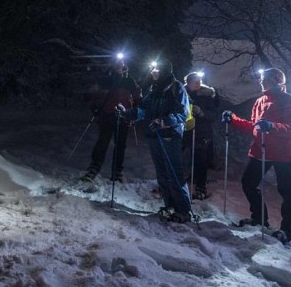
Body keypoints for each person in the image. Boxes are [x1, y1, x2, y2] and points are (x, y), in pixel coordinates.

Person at [222, 68, 291, 243]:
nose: (261, 82)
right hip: (261, 150)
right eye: (261, 79)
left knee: (286, 190)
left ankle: (289, 230)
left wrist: (272, 126)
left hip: (282, 152)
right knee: (248, 182)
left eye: (265, 79)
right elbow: (255, 127)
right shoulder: (260, 101)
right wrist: (234, 120)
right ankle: (259, 218)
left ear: (276, 81)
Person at [131, 61, 192, 223]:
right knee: (162, 174)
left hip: (169, 136)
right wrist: (127, 113)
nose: (153, 72)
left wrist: (164, 121)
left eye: (157, 69)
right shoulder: (154, 89)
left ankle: (183, 210)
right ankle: (170, 205)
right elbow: (144, 109)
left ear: (164, 70)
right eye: (153, 69)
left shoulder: (176, 87)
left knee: (174, 173)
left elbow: (183, 113)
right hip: (154, 136)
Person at [81, 59, 142, 182]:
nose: (119, 66)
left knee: (120, 145)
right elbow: (94, 94)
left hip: (123, 116)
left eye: (121, 64)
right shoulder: (106, 79)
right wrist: (95, 108)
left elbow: (137, 96)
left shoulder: (129, 80)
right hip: (107, 114)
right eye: (117, 64)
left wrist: (134, 111)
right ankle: (94, 168)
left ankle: (117, 171)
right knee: (102, 142)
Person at [182, 72, 220, 200]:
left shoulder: (206, 95)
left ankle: (201, 187)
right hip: (185, 129)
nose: (198, 83)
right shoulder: (182, 94)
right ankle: (182, 178)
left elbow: (213, 115)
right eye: (195, 80)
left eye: (199, 80)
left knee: (201, 159)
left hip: (202, 131)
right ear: (188, 82)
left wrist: (201, 113)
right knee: (181, 155)